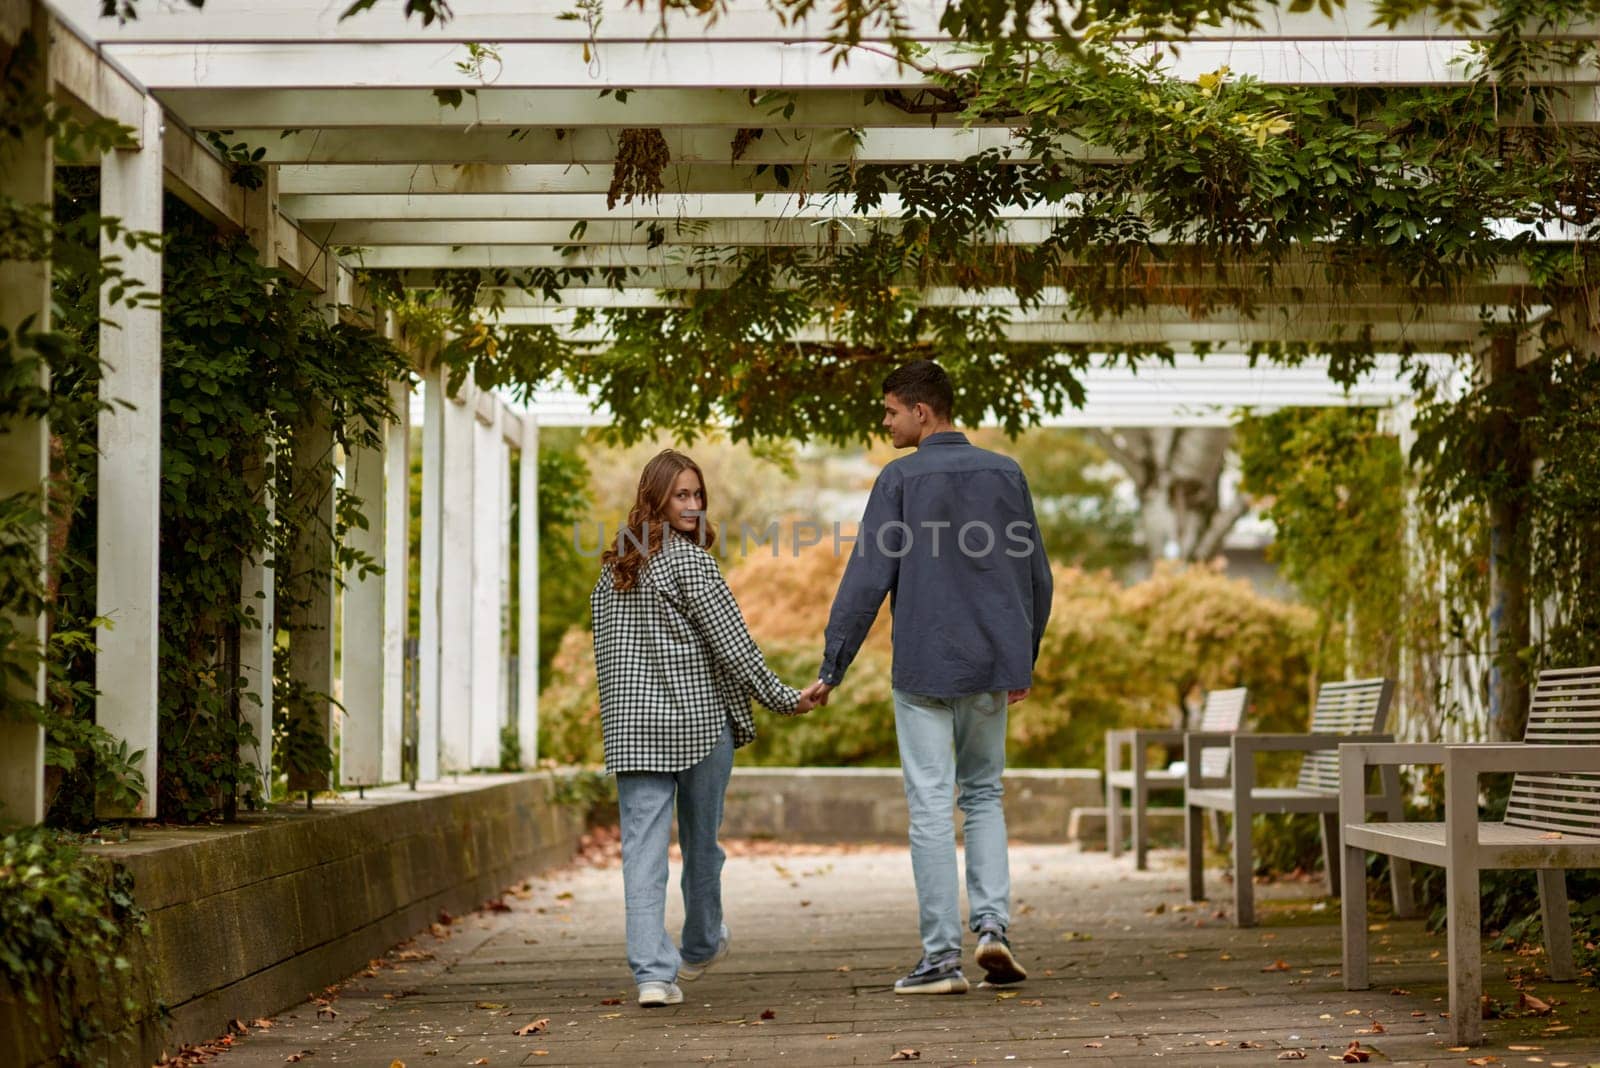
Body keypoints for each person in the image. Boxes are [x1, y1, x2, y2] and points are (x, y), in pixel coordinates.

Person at [813, 360, 1053, 995]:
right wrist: (1020, 658)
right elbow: (1038, 578)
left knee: (929, 806)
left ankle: (941, 961)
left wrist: (832, 667)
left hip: (923, 667)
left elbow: (866, 579)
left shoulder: (900, 479)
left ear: (923, 412)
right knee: (983, 796)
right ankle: (994, 928)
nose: (885, 421)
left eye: (891, 410)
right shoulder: (1007, 473)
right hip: (991, 667)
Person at [592, 448, 825, 1008]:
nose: (693, 505)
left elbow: (607, 657)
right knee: (702, 846)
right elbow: (736, 649)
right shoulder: (691, 563)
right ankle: (698, 947)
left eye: (698, 495)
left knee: (641, 853)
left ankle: (651, 973)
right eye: (682, 495)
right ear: (657, 499)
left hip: (634, 731)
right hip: (698, 726)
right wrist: (785, 700)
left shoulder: (614, 569)